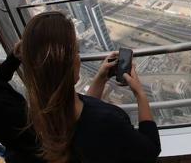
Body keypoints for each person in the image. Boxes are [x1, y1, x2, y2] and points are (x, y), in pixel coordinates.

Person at [20, 11, 161, 163]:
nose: (78, 58)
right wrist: (140, 93)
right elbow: (151, 149)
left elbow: (85, 117)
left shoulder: (44, 114)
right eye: (76, 51)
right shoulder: (108, 121)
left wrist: (100, 78)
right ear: (66, 65)